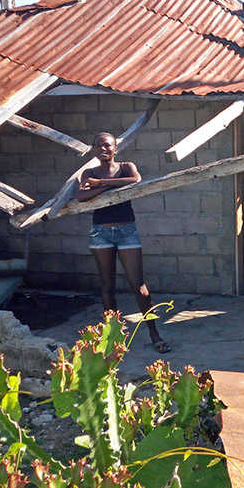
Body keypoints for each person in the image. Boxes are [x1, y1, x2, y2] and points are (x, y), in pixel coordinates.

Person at [76, 132, 171, 353]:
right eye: (98, 145)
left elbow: (135, 181)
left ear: (115, 149)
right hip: (101, 233)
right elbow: (81, 197)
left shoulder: (126, 167)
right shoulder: (88, 172)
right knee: (107, 285)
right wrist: (110, 186)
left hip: (127, 231)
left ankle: (154, 333)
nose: (103, 149)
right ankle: (112, 338)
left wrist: (99, 184)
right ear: (93, 150)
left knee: (138, 285)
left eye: (107, 145)